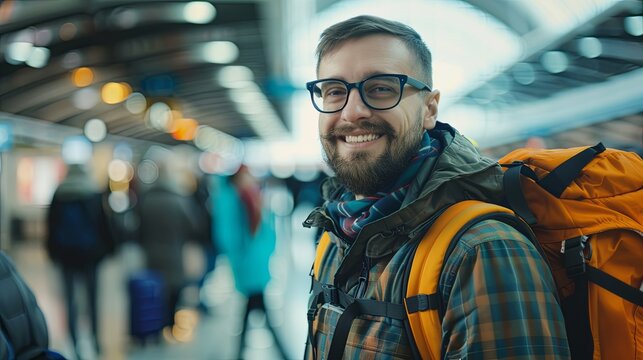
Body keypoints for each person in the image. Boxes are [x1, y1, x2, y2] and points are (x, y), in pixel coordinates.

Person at [303, 15, 570, 359]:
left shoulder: (481, 250)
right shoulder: (334, 234)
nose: (352, 112)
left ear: (429, 109)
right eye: (335, 91)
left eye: (381, 88)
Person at [211, 166, 288, 360]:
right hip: (248, 262)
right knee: (258, 305)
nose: (252, 178)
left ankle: (241, 353)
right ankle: (282, 353)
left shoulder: (247, 195)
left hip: (255, 260)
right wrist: (240, 255)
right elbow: (228, 235)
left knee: (254, 305)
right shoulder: (234, 198)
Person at [46, 163, 115, 359]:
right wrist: (109, 248)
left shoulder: (59, 194)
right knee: (92, 298)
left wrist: (52, 252)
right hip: (90, 255)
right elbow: (103, 223)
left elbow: (50, 225)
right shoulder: (92, 192)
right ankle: (94, 339)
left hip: (66, 255)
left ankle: (74, 342)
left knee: (70, 300)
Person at [137, 151, 202, 332]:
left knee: (155, 291)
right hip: (174, 252)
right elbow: (192, 225)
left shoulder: (147, 198)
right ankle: (169, 324)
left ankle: (156, 324)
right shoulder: (179, 199)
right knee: (174, 290)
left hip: (151, 254)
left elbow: (138, 228)